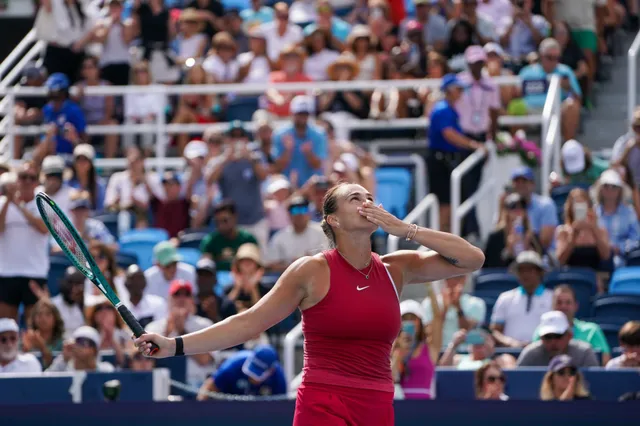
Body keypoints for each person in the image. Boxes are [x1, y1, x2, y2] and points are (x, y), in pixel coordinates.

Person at [135, 182, 485, 425]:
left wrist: (406, 229)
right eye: (354, 198)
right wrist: (175, 346)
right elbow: (249, 322)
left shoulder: (397, 268)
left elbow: (472, 259)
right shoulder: (312, 270)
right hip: (324, 402)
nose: (366, 202)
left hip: (378, 403)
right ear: (332, 219)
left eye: (369, 197)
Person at [532, 285, 611, 365]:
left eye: (568, 302)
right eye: (559, 302)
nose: (563, 306)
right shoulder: (541, 331)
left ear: (576, 306)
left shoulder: (592, 330)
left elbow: (605, 363)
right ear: (552, 306)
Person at [197, 344, 287, 399]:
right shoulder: (234, 364)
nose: (252, 377)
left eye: (257, 373)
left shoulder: (278, 378)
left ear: (270, 371)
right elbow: (209, 387)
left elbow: (281, 409)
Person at [517, 311, 599, 367]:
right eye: (548, 337)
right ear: (541, 338)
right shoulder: (530, 354)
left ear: (569, 336)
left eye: (558, 336)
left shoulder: (584, 353)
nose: (553, 341)